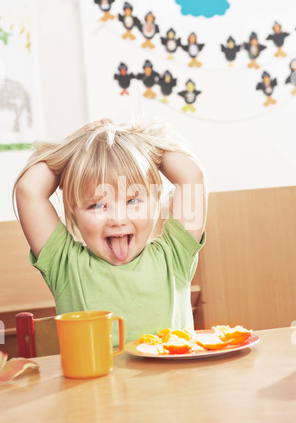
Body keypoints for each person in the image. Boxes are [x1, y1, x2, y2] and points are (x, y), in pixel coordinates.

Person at [13, 118, 207, 344]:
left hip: (173, 381)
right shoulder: (64, 264)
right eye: (97, 205)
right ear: (73, 212)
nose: (117, 218)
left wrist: (139, 142)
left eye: (133, 201)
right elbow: (29, 190)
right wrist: (74, 146)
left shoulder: (175, 255)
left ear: (155, 201)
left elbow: (191, 175)